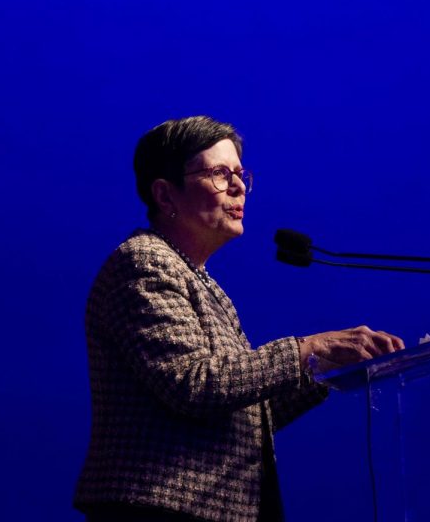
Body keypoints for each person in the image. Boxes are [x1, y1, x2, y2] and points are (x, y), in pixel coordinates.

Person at [74, 116, 404, 522]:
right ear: (165, 195)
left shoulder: (200, 281)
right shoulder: (145, 263)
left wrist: (325, 370)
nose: (239, 186)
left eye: (240, 174)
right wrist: (305, 349)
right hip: (161, 511)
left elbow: (241, 415)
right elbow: (193, 385)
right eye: (218, 174)